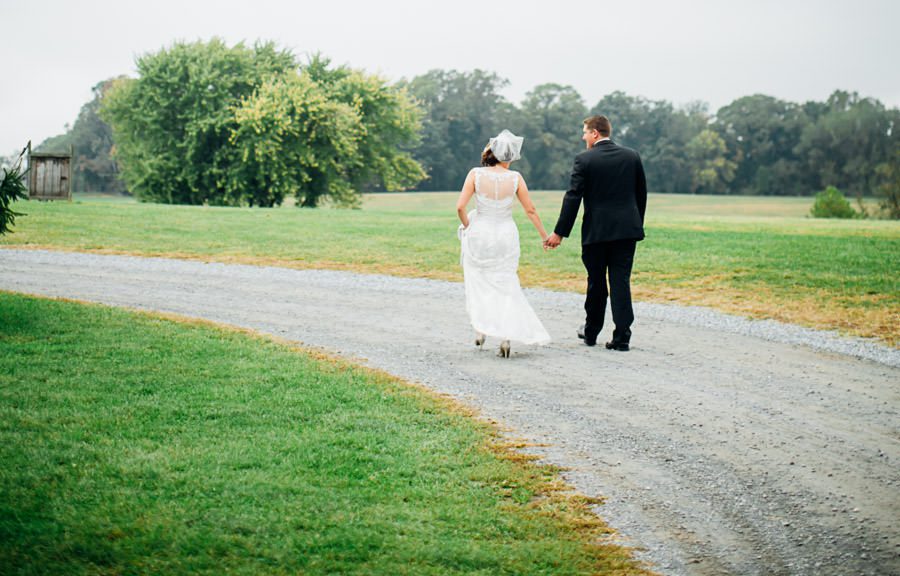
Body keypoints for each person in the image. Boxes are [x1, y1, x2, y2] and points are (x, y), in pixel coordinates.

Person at [544, 115, 647, 351]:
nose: (582, 137)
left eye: (584, 132)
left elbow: (573, 197)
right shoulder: (632, 156)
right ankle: (622, 337)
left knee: (597, 282)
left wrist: (560, 233)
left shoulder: (584, 160)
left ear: (595, 133)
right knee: (621, 281)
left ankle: (591, 332)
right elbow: (641, 194)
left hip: (596, 232)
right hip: (626, 231)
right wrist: (635, 224)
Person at [456, 129, 551, 357]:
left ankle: (481, 328)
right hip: (505, 234)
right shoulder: (515, 178)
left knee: (480, 280)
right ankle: (505, 337)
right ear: (511, 155)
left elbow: (460, 207)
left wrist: (468, 225)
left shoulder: (476, 174)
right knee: (506, 283)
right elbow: (530, 210)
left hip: (481, 232)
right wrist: (544, 236)